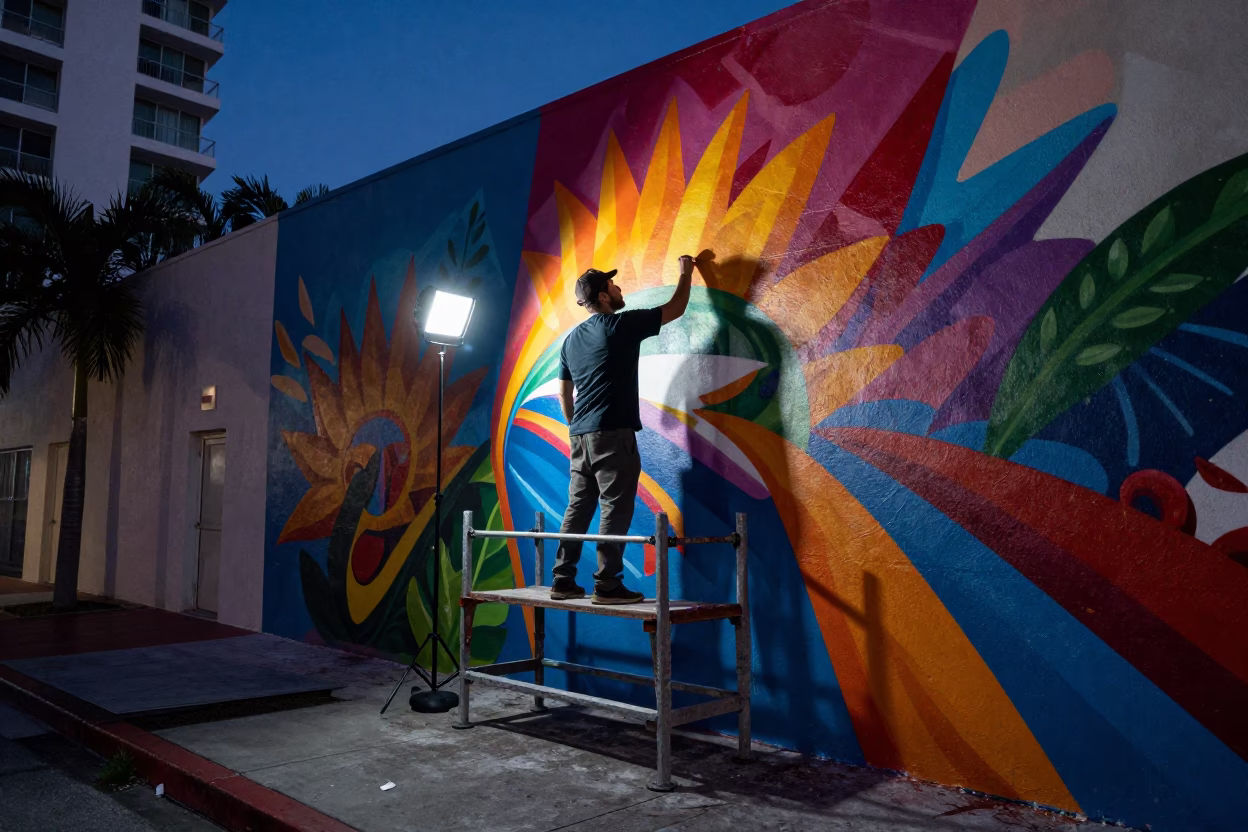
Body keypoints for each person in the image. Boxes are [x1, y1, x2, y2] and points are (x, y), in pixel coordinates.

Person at [551, 252, 706, 604]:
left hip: (580, 436)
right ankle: (607, 586)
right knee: (614, 509)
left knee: (577, 508)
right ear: (604, 296)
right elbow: (675, 308)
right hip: (612, 435)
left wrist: (577, 423)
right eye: (613, 285)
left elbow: (564, 392)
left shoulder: (570, 341)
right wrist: (686, 272)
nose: (620, 289)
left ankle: (562, 580)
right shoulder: (619, 326)